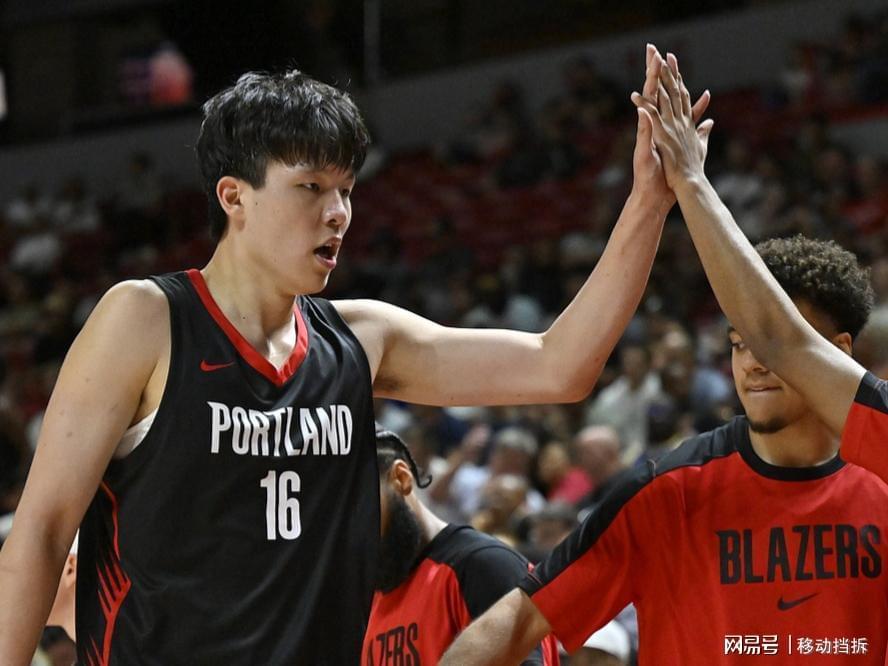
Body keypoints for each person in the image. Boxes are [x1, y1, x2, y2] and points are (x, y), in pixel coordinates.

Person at [0, 47, 709, 663]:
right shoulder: (146, 319)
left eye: (345, 189)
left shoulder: (361, 338)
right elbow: (40, 534)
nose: (337, 211)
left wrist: (650, 201)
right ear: (234, 197)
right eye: (311, 187)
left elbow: (560, 365)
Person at [441, 50, 888, 666]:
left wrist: (690, 184)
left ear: (837, 354)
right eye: (737, 344)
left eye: (766, 343)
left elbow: (776, 335)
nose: (754, 362)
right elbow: (519, 620)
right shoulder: (668, 490)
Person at [364, 428, 559, 665]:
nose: (351, 532)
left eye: (358, 510)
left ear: (401, 479)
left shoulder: (484, 566)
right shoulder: (368, 600)